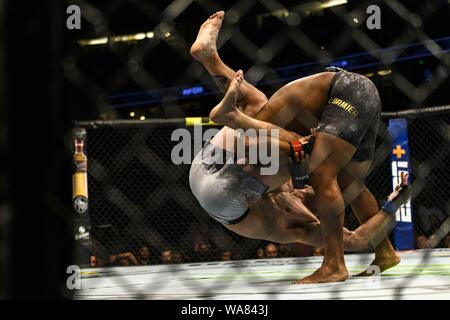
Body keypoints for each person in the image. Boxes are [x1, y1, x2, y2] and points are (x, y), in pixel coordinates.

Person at [189, 11, 407, 283]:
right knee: (325, 165)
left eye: (310, 197)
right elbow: (354, 238)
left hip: (219, 185)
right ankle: (370, 255)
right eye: (314, 198)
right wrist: (393, 205)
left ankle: (226, 99)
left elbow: (348, 233)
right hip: (217, 181)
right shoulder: (296, 223)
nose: (305, 192)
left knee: (280, 128)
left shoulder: (283, 216)